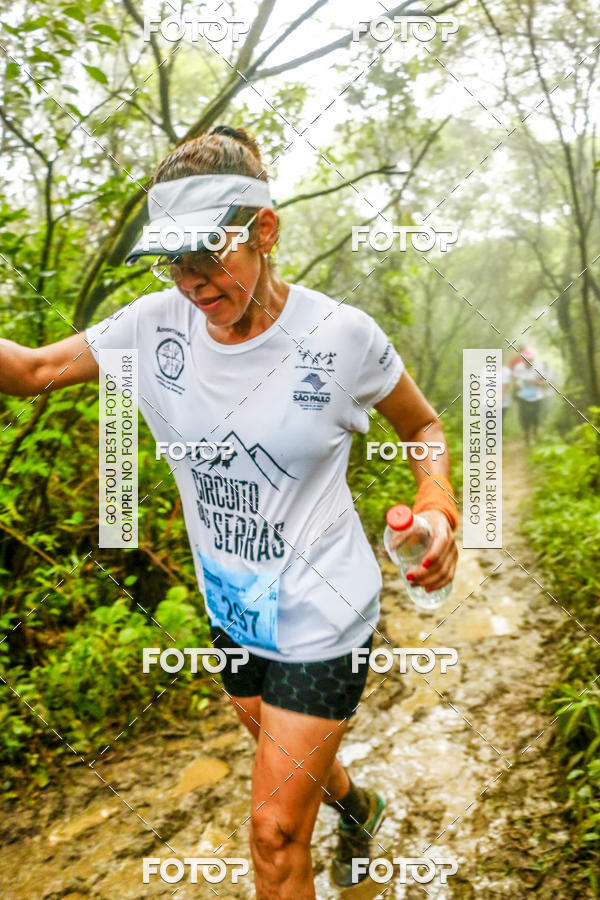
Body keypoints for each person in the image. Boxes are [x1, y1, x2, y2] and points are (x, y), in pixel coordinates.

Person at [0, 126, 459, 897]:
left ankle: (329, 817)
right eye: (172, 259)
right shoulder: (151, 329)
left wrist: (436, 499)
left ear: (265, 230)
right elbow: (33, 369)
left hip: (326, 612)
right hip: (236, 608)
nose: (190, 280)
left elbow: (423, 426)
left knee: (274, 834)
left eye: (207, 254)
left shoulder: (340, 337)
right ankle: (360, 804)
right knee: (273, 740)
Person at [512, 348, 548, 445]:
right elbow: (515, 380)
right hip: (523, 396)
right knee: (524, 417)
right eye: (526, 360)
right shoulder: (518, 368)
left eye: (530, 360)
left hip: (536, 396)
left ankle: (535, 436)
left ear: (533, 359)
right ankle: (526, 436)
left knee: (535, 417)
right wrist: (517, 385)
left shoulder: (539, 367)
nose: (528, 362)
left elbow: (544, 382)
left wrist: (536, 382)